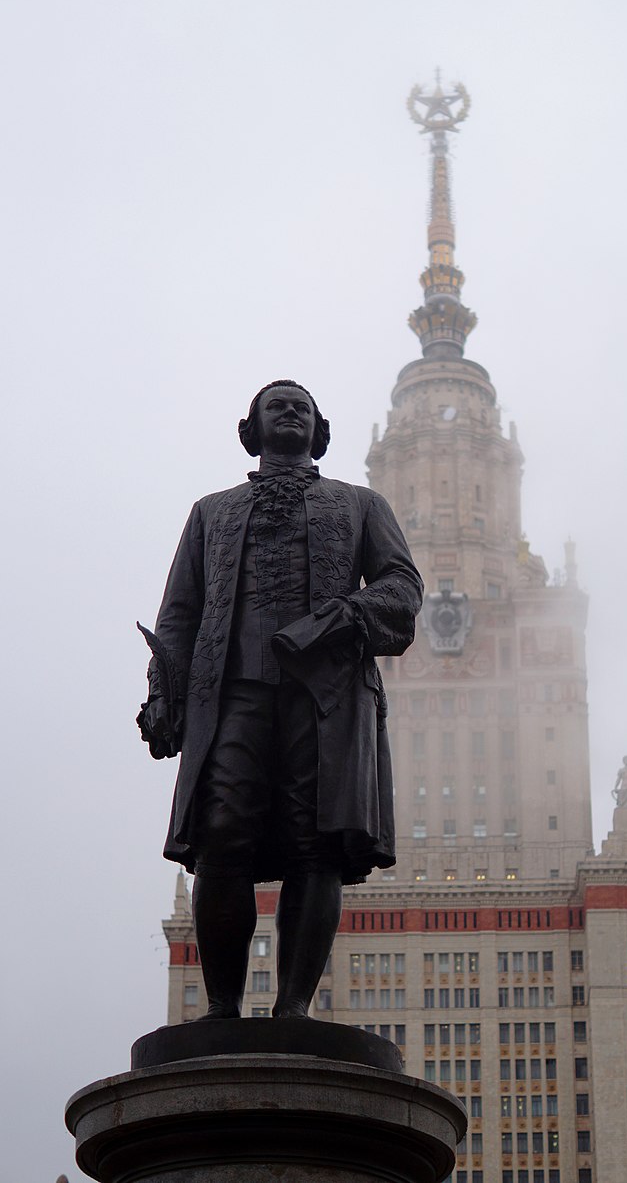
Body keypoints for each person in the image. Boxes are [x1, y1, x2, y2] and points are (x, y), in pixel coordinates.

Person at [138, 381, 422, 1019]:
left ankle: (294, 1007)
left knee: (314, 843)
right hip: (232, 694)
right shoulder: (212, 512)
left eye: (302, 405)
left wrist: (344, 617)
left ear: (319, 429)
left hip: (324, 698)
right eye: (276, 404)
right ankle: (220, 1010)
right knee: (220, 839)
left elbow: (402, 587)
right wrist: (164, 693)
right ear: (253, 427)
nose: (290, 409)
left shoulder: (360, 505)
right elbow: (178, 615)